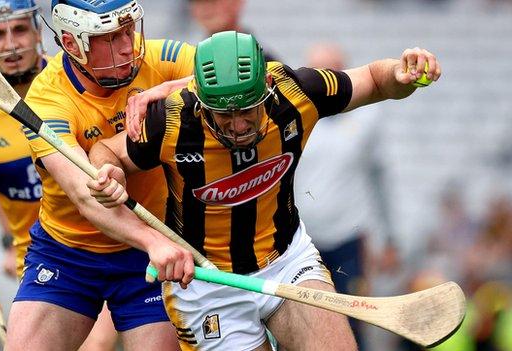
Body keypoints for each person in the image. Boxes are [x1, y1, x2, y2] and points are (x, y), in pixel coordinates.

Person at [87, 31, 441, 350]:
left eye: (248, 111)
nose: (238, 126)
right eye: (223, 116)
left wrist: (402, 74)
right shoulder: (172, 121)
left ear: (267, 85)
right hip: (207, 284)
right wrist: (109, 172)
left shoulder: (296, 92)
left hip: (287, 260)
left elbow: (376, 81)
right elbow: (107, 150)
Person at [6, 0, 198, 350]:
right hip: (68, 254)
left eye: (128, 31)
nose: (128, 46)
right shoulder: (46, 100)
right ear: (71, 42)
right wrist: (154, 242)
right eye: (110, 38)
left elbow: (260, 72)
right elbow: (85, 197)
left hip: (153, 255)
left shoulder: (161, 57)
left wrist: (161, 91)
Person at [0, 1, 119, 350]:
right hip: (46, 265)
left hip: (115, 247)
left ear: (38, 32)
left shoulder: (80, 81)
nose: (11, 44)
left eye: (19, 30)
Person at [294, 42, 400, 350]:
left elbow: (381, 181)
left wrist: (391, 239)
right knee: (303, 322)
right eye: (317, 70)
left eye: (333, 69)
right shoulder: (295, 117)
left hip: (349, 240)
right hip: (302, 243)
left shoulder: (367, 118)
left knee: (354, 322)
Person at [187, 0, 279, 62]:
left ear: (237, 2)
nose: (205, 9)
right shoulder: (188, 62)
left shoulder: (264, 62)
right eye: (198, 2)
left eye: (213, 1)